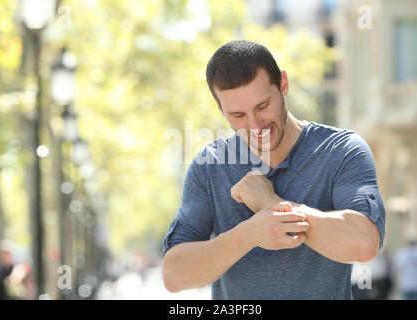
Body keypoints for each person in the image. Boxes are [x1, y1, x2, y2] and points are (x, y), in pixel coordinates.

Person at [161, 40, 386, 299]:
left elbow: (364, 244)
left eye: (262, 106)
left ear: (283, 84)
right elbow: (173, 275)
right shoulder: (210, 166)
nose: (255, 125)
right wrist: (250, 234)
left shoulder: (341, 151)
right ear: (221, 110)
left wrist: (273, 204)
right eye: (238, 115)